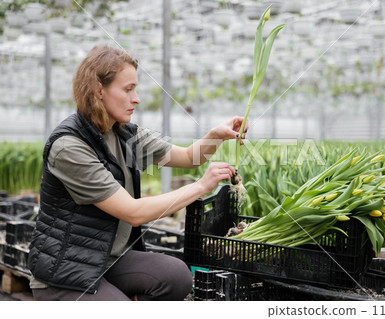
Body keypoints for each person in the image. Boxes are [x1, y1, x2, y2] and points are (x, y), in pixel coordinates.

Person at [28, 45, 248, 301]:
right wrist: (200, 187)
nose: (137, 98)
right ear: (99, 90)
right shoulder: (69, 146)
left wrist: (215, 135)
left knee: (177, 276)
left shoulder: (124, 134)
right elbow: (133, 213)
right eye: (128, 89)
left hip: (109, 259)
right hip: (66, 271)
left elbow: (189, 158)